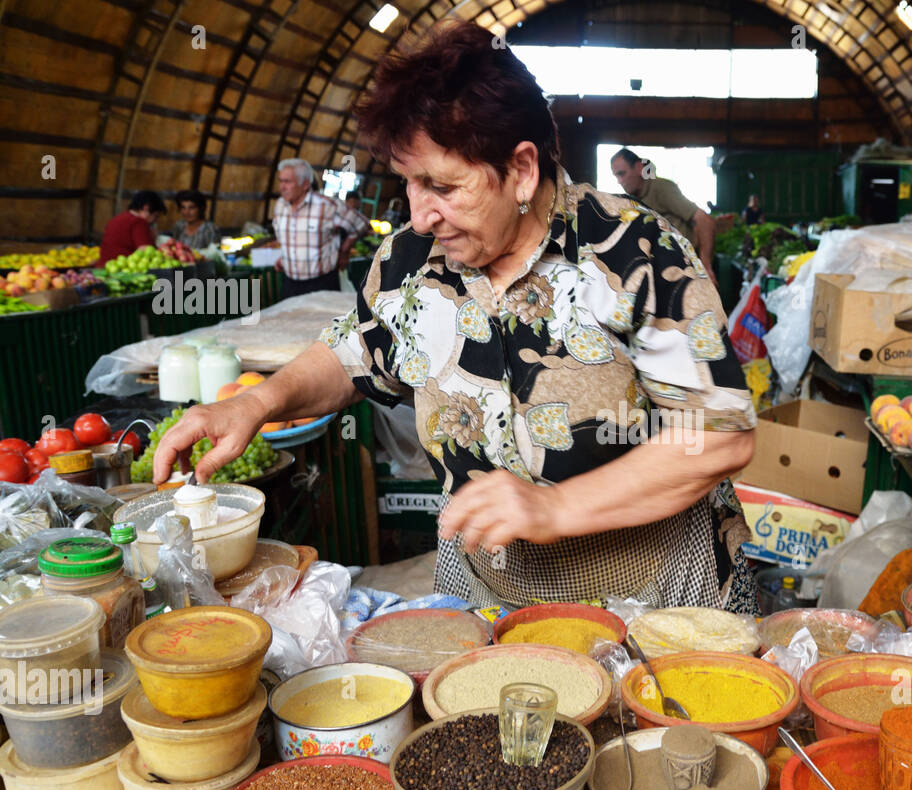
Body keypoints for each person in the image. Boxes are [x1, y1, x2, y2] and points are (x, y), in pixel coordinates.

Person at [152, 20, 758, 613]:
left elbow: (718, 433)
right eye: (407, 185)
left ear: (521, 170)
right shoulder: (411, 258)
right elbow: (353, 351)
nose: (419, 215)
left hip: (650, 596)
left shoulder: (632, 249)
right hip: (484, 593)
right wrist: (255, 404)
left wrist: (555, 508)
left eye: (440, 185)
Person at [610, 148, 717, 284]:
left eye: (622, 174)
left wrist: (705, 266)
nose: (620, 181)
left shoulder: (661, 188)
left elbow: (705, 220)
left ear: (638, 167)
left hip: (684, 274)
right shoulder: (631, 202)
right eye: (616, 176)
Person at [272, 158, 371, 298]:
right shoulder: (281, 205)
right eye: (280, 181)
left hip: (321, 283)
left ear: (305, 184)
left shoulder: (327, 206)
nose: (282, 186)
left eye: (288, 182)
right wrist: (285, 258)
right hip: (290, 284)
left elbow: (361, 224)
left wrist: (344, 251)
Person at [96, 190, 165, 266]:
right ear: (146, 208)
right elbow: (145, 249)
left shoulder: (117, 219)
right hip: (121, 270)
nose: (155, 220)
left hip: (104, 266)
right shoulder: (139, 222)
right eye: (156, 216)